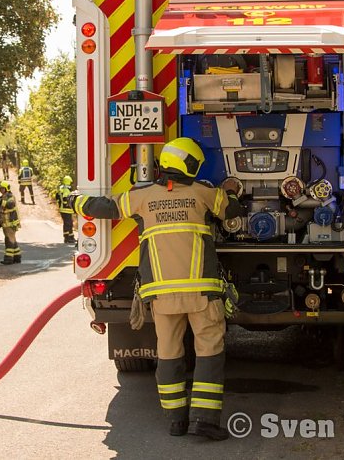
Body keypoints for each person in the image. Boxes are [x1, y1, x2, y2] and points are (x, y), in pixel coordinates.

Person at [73, 137, 245, 440]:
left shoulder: (143, 197)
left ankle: (176, 420)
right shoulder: (204, 194)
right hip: (202, 294)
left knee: (168, 352)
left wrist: (75, 202)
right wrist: (230, 189)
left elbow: (106, 208)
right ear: (190, 166)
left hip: (161, 296)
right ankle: (204, 420)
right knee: (209, 351)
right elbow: (232, 210)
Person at [0, 180, 21, 264]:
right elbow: (0, 211)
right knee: (12, 240)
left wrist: (1, 201)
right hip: (6, 223)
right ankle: (17, 257)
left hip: (10, 223)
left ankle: (8, 259)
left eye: (2, 188)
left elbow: (10, 204)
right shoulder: (3, 197)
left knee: (9, 240)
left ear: (6, 188)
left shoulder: (10, 197)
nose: (0, 190)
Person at [53, 175, 76, 244]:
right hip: (66, 209)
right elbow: (65, 199)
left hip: (63, 209)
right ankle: (67, 238)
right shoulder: (66, 189)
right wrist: (69, 204)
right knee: (67, 224)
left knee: (69, 223)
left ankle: (71, 237)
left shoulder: (61, 188)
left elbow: (57, 197)